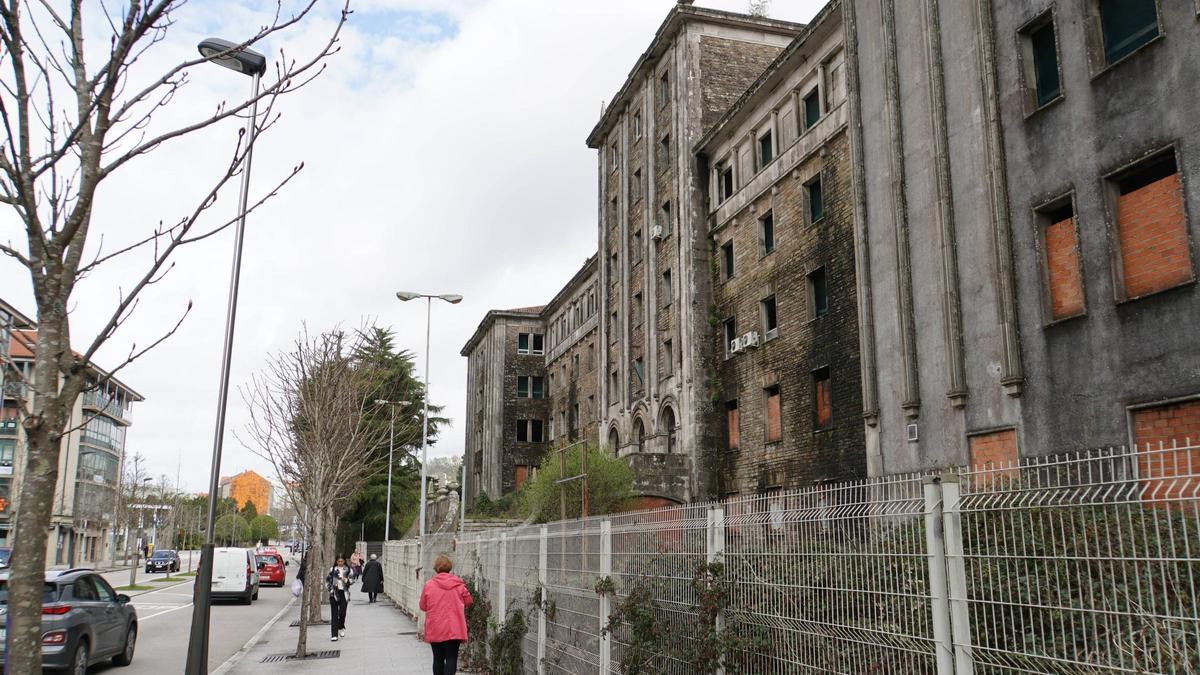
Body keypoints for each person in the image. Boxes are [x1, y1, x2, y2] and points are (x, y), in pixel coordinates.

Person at [419, 555, 473, 675]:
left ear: (436, 569)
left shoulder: (429, 585)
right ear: (450, 568)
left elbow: (423, 606)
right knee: (451, 658)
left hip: (436, 627)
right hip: (454, 627)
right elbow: (469, 601)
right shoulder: (459, 585)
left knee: (437, 659)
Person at [326, 555, 353, 641]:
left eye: (342, 561)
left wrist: (345, 580)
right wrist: (330, 589)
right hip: (334, 593)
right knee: (334, 614)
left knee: (342, 613)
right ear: (336, 561)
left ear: (344, 561)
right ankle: (334, 635)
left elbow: (352, 581)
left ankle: (341, 627)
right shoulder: (332, 570)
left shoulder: (349, 570)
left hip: (344, 593)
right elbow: (328, 581)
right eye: (338, 561)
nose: (340, 563)